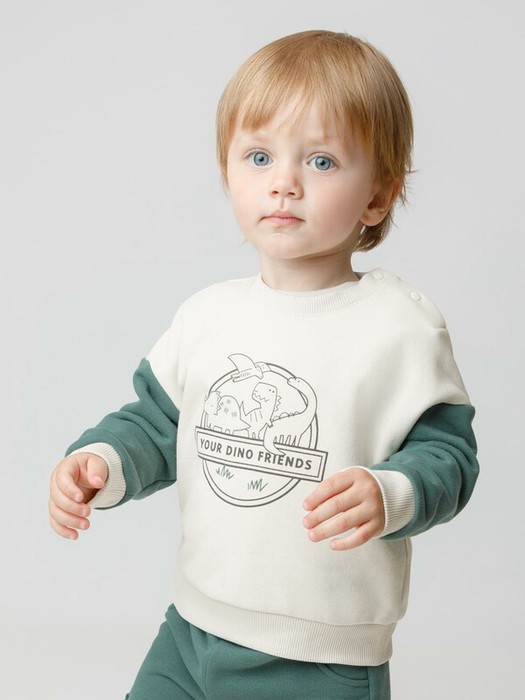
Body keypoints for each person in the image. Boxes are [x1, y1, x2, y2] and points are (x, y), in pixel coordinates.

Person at [48, 30, 479, 700]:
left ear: (376, 196)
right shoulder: (208, 317)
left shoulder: (399, 327)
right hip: (192, 631)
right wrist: (100, 460)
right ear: (228, 174)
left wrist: (390, 491)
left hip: (321, 657)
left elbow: (449, 456)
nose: (283, 182)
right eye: (258, 156)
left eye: (322, 161)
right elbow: (158, 425)